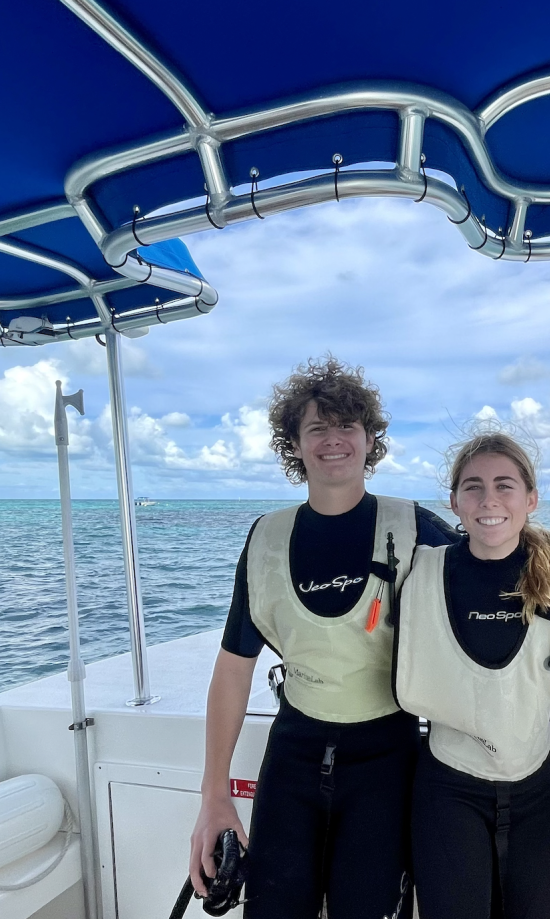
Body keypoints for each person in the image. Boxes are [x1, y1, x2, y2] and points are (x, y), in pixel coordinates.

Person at [188, 356, 456, 919]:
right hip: (294, 755)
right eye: (316, 427)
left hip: (388, 758)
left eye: (346, 426)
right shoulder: (264, 538)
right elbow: (234, 666)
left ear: (369, 439)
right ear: (295, 443)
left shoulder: (417, 529)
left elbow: (493, 579)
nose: (333, 440)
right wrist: (214, 795)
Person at [394, 432, 550, 919]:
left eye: (505, 485)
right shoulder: (424, 569)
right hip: (448, 785)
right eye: (473, 487)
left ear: (531, 499)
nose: (489, 500)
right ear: (454, 501)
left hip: (534, 783)